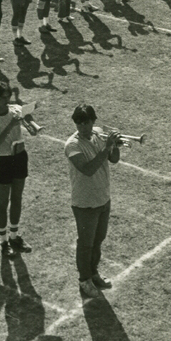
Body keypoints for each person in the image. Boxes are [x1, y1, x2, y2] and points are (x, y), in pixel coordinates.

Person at [64, 103, 121, 299]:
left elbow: (114, 159)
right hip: (85, 203)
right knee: (86, 243)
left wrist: (114, 146)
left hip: (103, 198)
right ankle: (84, 280)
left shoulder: (98, 133)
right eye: (79, 124)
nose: (82, 127)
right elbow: (87, 169)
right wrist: (106, 149)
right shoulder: (72, 145)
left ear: (93, 121)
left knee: (98, 240)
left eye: (86, 123)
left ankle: (93, 273)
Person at [0, 81, 33, 258]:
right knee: (3, 202)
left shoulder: (15, 109)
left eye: (8, 96)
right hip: (3, 161)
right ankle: (3, 241)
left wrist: (32, 126)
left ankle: (14, 236)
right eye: (4, 98)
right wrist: (10, 126)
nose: (7, 100)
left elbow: (29, 122)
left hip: (19, 158)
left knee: (17, 198)